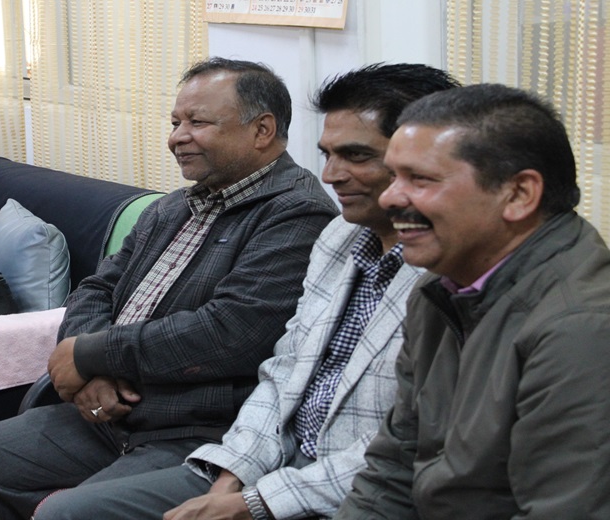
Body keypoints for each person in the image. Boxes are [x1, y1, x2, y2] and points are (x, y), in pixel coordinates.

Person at [24, 64, 461, 520]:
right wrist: (232, 474)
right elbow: (285, 371)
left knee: (70, 513)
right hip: (249, 451)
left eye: (356, 156)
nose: (331, 175)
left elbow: (229, 333)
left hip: (239, 443)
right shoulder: (338, 239)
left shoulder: (311, 220)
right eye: (327, 155)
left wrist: (251, 501)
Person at [0, 57, 339, 519]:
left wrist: (92, 355)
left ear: (262, 130)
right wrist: (91, 369)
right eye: (175, 123)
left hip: (196, 428)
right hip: (114, 411)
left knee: (67, 513)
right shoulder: (174, 207)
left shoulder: (298, 214)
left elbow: (230, 332)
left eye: (197, 122)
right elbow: (96, 288)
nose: (177, 137)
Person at [333, 84, 610, 518]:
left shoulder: (581, 327)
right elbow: (392, 473)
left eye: (420, 179)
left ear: (519, 194)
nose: (389, 198)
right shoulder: (438, 291)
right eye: (393, 176)